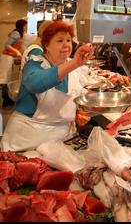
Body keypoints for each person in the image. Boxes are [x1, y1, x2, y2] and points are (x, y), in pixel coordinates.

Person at [1, 21, 94, 152]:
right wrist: (74, 63)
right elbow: (36, 84)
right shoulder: (35, 63)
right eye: (59, 40)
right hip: (27, 142)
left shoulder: (73, 69)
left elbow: (73, 93)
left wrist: (78, 111)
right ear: (46, 45)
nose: (66, 44)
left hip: (60, 141)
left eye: (68, 40)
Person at [0, 19, 28, 106]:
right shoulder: (16, 33)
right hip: (6, 57)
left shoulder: (20, 34)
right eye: (25, 25)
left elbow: (20, 47)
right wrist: (17, 52)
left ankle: (6, 99)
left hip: (10, 57)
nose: (26, 27)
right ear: (21, 26)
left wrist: (24, 53)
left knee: (6, 78)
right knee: (4, 79)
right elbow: (7, 45)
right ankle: (5, 98)